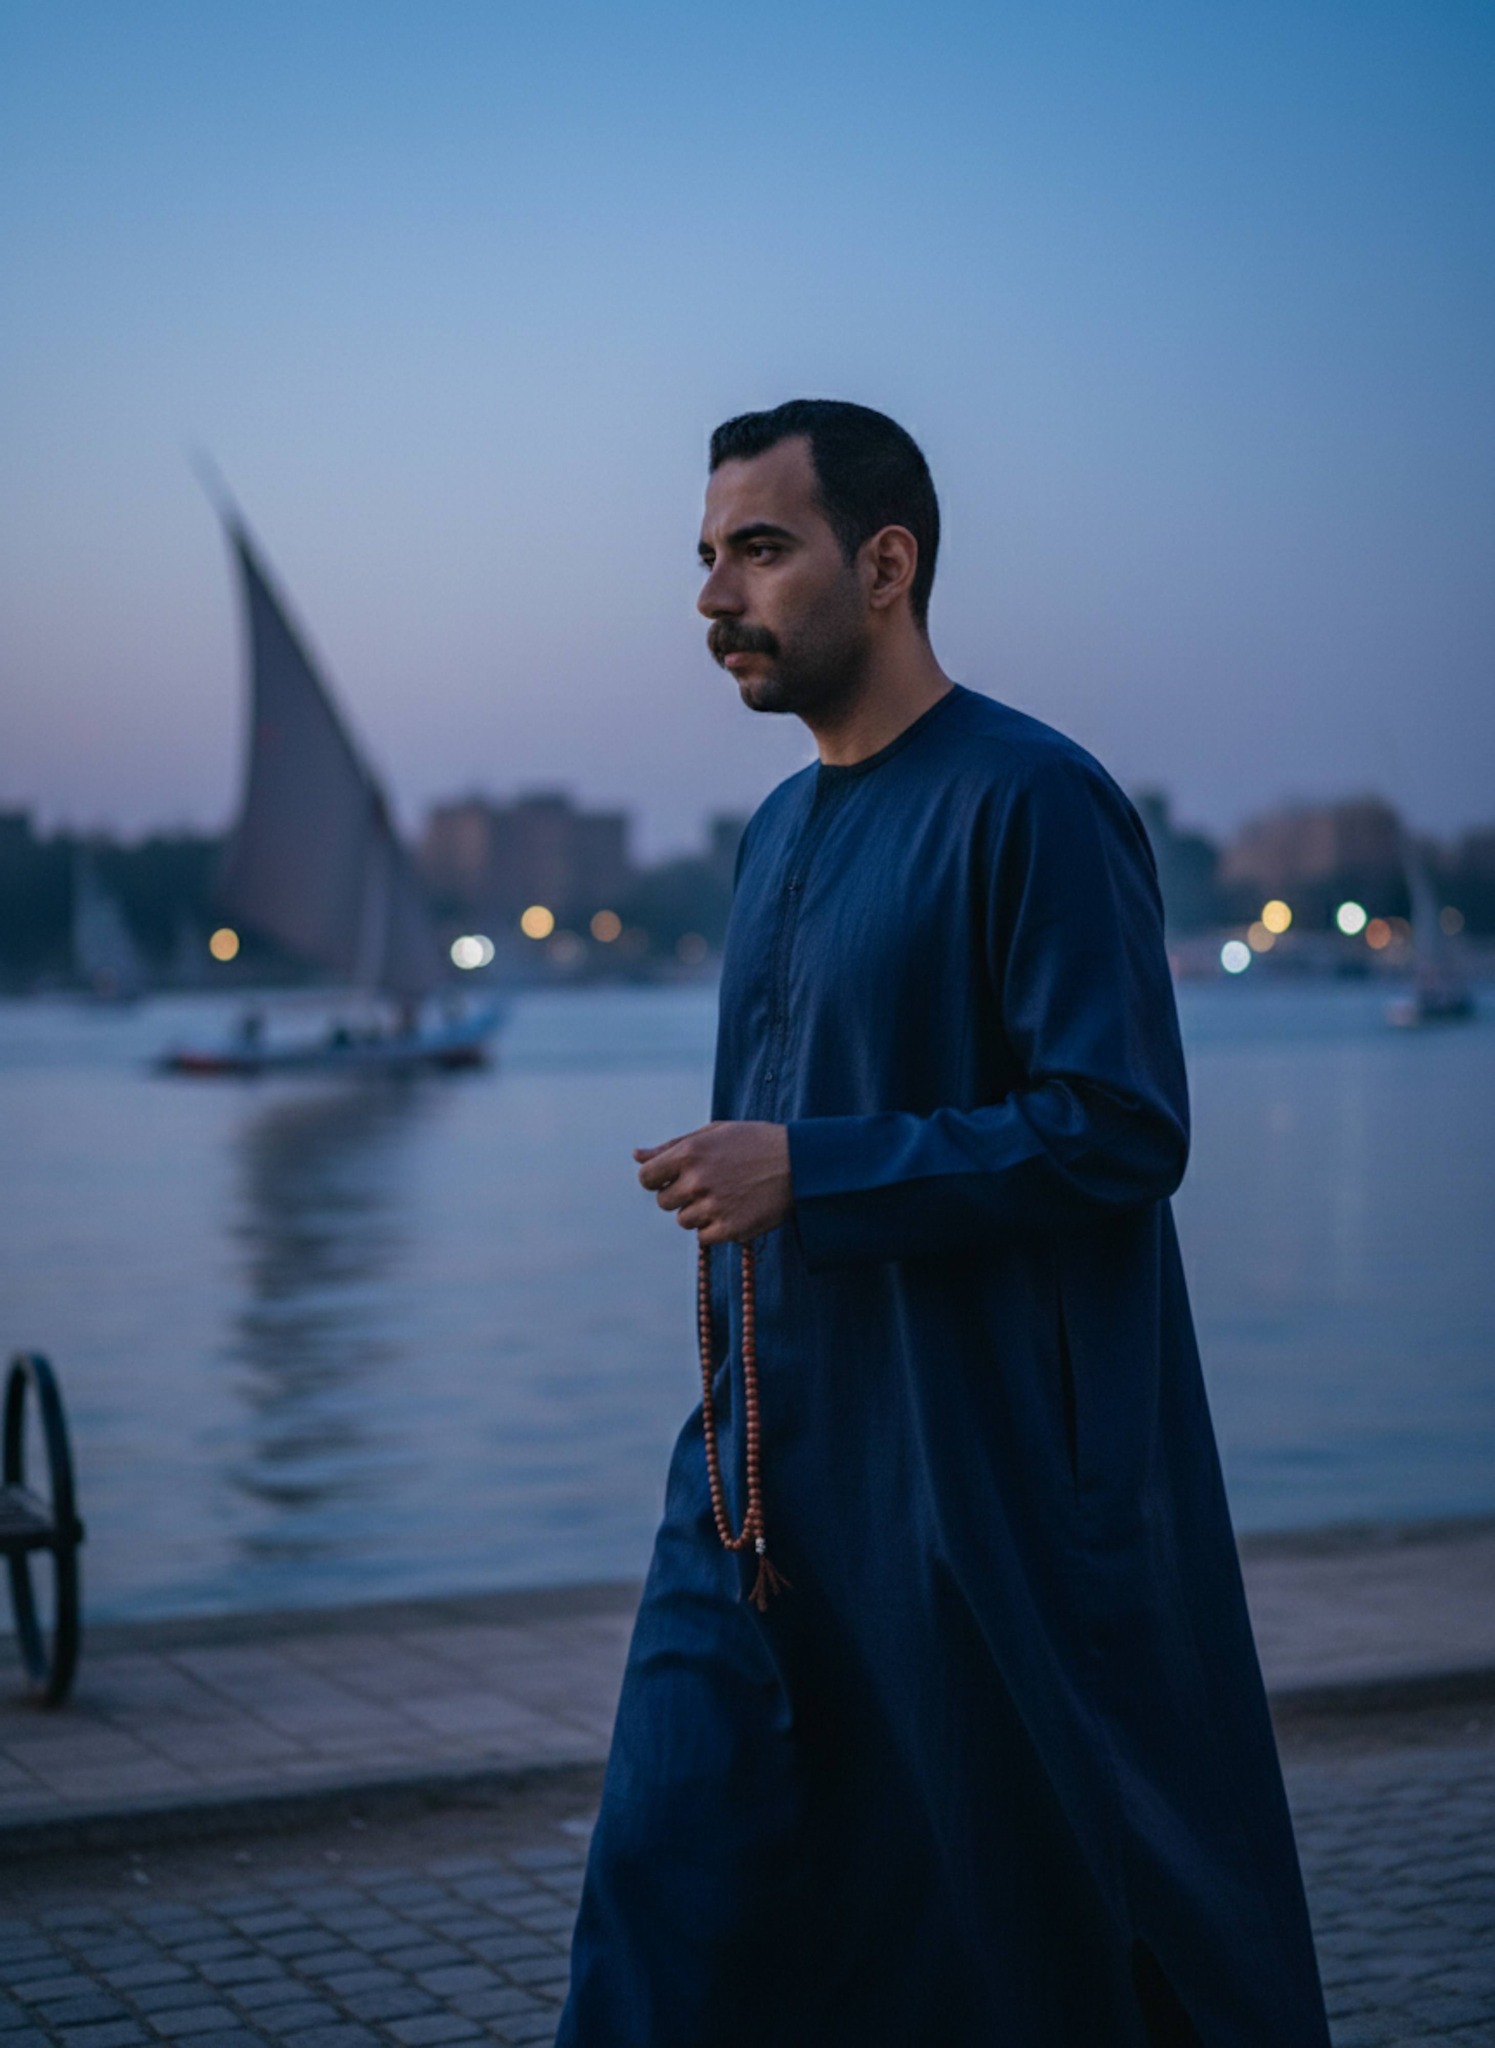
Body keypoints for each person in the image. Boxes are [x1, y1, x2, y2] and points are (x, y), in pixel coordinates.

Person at [556, 400, 1331, 2046]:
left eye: (759, 551)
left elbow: (1122, 1128)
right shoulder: (774, 837)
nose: (713, 600)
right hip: (754, 1488)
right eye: (705, 559)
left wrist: (810, 1170)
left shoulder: (1033, 800)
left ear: (887, 564)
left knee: (1015, 1934)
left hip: (964, 1493)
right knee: (662, 1898)